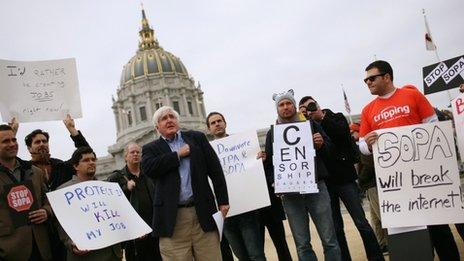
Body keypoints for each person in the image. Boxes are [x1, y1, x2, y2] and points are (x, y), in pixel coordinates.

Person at [359, 60, 459, 261]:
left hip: (426, 177)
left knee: (439, 229)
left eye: (372, 78)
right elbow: (361, 146)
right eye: (365, 80)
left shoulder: (412, 95)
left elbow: (433, 128)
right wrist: (367, 144)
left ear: (387, 77)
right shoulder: (367, 110)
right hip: (396, 184)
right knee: (410, 235)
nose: (368, 82)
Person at [299, 96, 383, 261]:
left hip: (345, 179)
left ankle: (376, 257)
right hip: (326, 184)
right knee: (336, 228)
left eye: (311, 105)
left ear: (317, 103)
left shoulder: (335, 117)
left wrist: (321, 118)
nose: (309, 109)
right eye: (304, 108)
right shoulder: (305, 128)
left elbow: (342, 134)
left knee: (362, 223)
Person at [141, 106, 229, 261]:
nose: (169, 120)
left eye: (172, 116)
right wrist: (177, 155)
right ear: (156, 127)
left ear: (177, 121)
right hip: (172, 219)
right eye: (164, 118)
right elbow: (149, 169)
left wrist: (223, 201)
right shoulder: (150, 148)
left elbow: (215, 170)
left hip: (202, 211)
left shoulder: (197, 138)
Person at [264, 89, 341, 261]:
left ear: (294, 105)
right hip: (291, 194)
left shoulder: (312, 125)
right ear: (277, 109)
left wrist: (322, 145)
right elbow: (270, 165)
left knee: (329, 240)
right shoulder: (272, 133)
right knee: (302, 244)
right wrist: (274, 181)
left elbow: (331, 152)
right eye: (281, 104)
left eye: (289, 103)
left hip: (316, 187)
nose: (285, 107)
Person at [15, 114, 90, 260]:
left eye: (45, 141)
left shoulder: (62, 167)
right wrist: (13, 133)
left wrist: (72, 130)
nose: (42, 144)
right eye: (37, 142)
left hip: (65, 231)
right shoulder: (23, 171)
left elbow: (84, 152)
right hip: (39, 233)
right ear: (29, 148)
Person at [206, 111, 266, 261]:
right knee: (241, 256)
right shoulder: (205, 151)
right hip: (225, 213)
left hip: (247, 209)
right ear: (208, 128)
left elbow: (252, 169)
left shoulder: (243, 144)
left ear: (225, 123)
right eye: (213, 123)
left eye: (219, 121)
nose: (217, 124)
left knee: (256, 254)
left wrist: (260, 159)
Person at [57, 146, 123, 261]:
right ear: (75, 166)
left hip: (113, 254)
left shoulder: (106, 188)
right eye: (86, 160)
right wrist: (71, 244)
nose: (91, 163)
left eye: (93, 159)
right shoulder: (63, 192)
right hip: (87, 256)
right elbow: (61, 226)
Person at [0, 124, 52, 260]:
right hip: (10, 251)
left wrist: (46, 211)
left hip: (41, 248)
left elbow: (48, 200)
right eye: (5, 141)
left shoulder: (35, 172)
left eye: (14, 140)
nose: (12, 144)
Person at [107, 143, 161, 261]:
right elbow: (111, 204)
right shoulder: (116, 178)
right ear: (125, 156)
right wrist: (126, 188)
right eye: (132, 152)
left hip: (154, 230)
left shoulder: (149, 174)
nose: (135, 154)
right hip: (133, 235)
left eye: (138, 152)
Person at [349, 123, 388, 254]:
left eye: (352, 132)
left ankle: (389, 243)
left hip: (372, 183)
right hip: (369, 184)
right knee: (376, 218)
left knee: (382, 217)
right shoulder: (360, 145)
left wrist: (360, 179)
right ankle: (382, 244)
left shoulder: (367, 144)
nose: (351, 135)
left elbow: (368, 166)